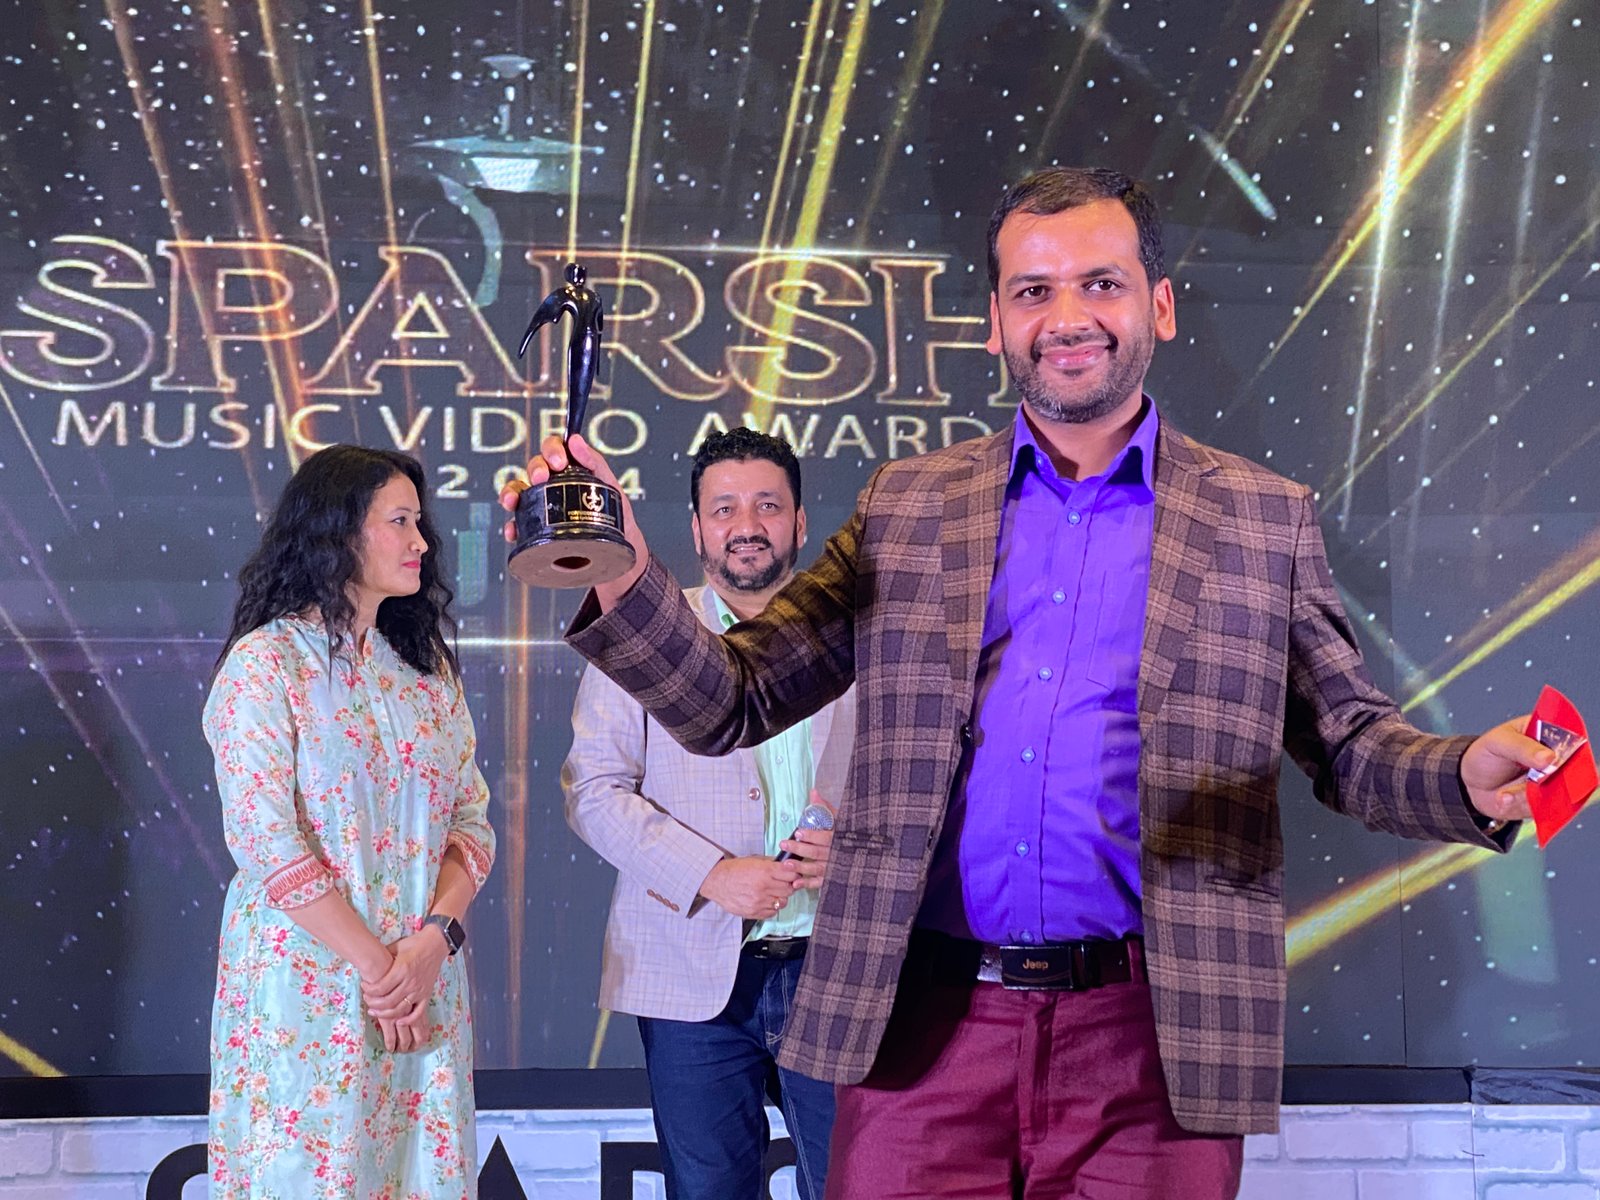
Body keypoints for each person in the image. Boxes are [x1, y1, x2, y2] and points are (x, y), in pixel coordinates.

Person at [501, 167, 1552, 1200]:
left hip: (1157, 1036)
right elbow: (731, 697)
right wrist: (623, 568)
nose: (1068, 317)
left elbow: (1349, 741)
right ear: (996, 325)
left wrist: (1461, 773)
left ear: (1159, 306)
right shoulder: (907, 505)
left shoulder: (1261, 516)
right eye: (1033, 290)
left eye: (1101, 283)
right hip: (922, 1030)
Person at [562, 428, 854, 1200]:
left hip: (838, 967)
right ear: (696, 529)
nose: (746, 525)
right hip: (687, 969)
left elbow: (925, 784)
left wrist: (858, 854)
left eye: (767, 506)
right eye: (724, 509)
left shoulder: (860, 635)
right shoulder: (643, 639)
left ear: (801, 522)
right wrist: (713, 874)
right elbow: (593, 791)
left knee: (856, 1185)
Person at [207, 444, 495, 1199]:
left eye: (419, 522)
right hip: (311, 991)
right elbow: (267, 840)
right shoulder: (266, 665)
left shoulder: (426, 672)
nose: (421, 541)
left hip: (422, 986)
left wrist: (433, 944)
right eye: (399, 521)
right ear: (337, 532)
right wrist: (380, 969)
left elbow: (472, 821)